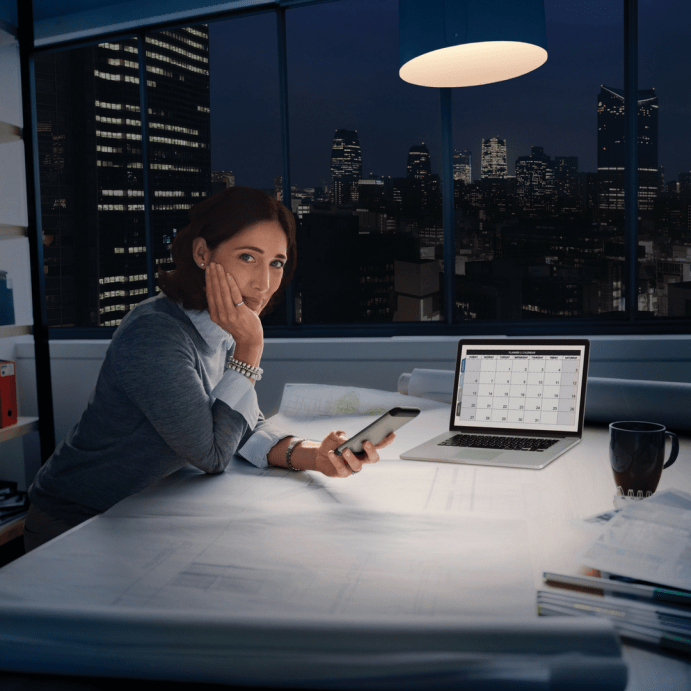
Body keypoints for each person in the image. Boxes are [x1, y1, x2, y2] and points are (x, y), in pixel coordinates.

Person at [24, 186, 394, 553]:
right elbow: (214, 454)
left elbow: (237, 424)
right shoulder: (156, 333)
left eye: (275, 263)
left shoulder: (223, 326)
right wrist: (250, 349)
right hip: (78, 521)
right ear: (202, 253)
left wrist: (315, 456)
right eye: (248, 257)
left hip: (149, 509)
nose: (263, 283)